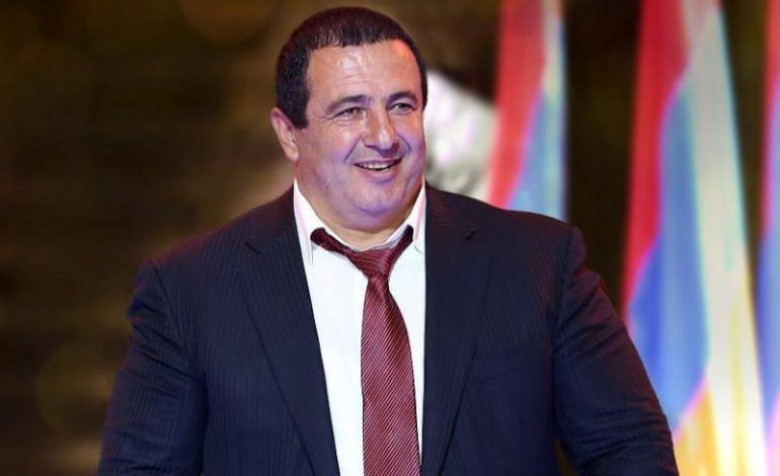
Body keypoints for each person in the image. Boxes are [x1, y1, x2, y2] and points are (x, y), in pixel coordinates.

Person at [98, 6, 677, 475]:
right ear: (289, 134)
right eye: (350, 111)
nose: (384, 136)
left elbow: (629, 450)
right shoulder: (191, 290)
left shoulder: (539, 263)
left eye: (402, 106)